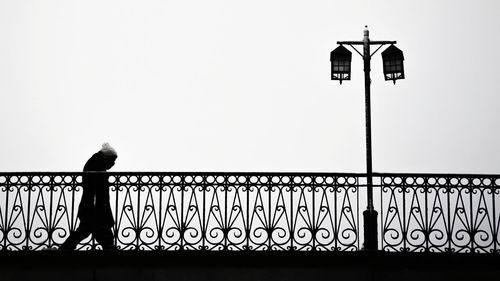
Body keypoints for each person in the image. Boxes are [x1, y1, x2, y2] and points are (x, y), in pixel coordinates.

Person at [60, 143, 118, 250]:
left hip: (94, 206)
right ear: (106, 157)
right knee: (94, 230)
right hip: (95, 206)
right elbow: (95, 188)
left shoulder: (95, 163)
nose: (113, 163)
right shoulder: (96, 165)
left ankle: (64, 250)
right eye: (112, 160)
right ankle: (64, 250)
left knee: (89, 230)